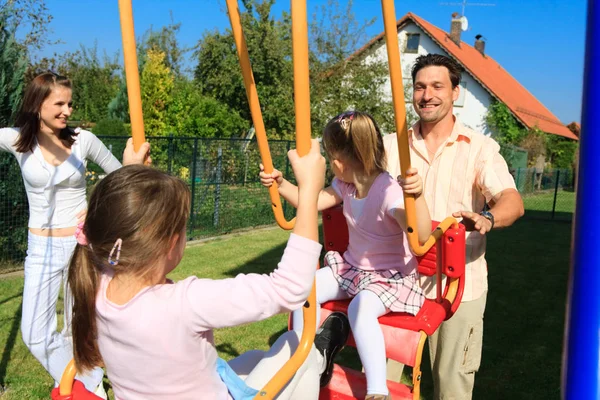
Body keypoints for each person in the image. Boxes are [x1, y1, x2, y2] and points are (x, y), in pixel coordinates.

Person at [68, 141, 351, 400]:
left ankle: (316, 362)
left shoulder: (98, 283)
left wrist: (133, 172)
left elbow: (123, 224)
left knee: (253, 358)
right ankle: (319, 357)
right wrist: (310, 192)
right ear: (171, 244)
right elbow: (287, 289)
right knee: (296, 346)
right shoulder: (185, 303)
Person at [260, 111, 431, 400]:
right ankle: (307, 358)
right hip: (352, 268)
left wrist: (418, 197)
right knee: (306, 286)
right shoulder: (345, 186)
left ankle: (377, 390)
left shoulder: (388, 191)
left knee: (360, 310)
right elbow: (311, 202)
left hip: (388, 277)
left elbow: (421, 235)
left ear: (338, 162)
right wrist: (281, 184)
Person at [383, 54, 525, 400]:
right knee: (383, 384)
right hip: (394, 285)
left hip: (459, 287)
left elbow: (512, 200)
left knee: (452, 385)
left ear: (455, 92)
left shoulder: (479, 148)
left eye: (436, 86)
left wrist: (488, 218)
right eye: (419, 87)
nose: (426, 95)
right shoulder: (391, 146)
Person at [0, 72, 150, 397]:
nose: (67, 110)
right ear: (37, 103)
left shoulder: (83, 139)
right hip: (40, 247)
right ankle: (85, 384)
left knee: (76, 328)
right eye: (60, 103)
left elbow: (121, 176)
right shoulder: (17, 140)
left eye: (70, 103)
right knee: (35, 333)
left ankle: (86, 389)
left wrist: (95, 204)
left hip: (81, 245)